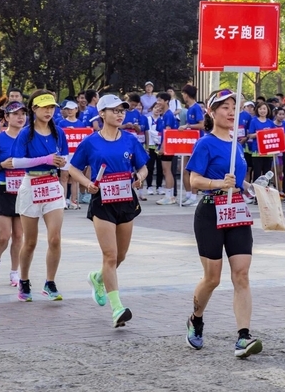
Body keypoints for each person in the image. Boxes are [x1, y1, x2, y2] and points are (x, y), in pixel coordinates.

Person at [184, 89, 262, 358]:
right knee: (212, 278)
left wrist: (253, 187)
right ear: (212, 112)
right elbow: (194, 181)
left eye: (234, 107)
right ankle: (196, 319)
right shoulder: (205, 143)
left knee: (241, 274)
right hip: (210, 212)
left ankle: (243, 336)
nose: (231, 112)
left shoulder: (236, 144)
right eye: (225, 107)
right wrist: (219, 183)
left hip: (237, 212)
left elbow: (237, 182)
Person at [67, 94, 149, 328]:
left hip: (126, 199)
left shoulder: (130, 139)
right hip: (102, 201)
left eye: (122, 110)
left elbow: (142, 167)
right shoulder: (90, 142)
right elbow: (73, 168)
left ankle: (98, 278)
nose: (120, 114)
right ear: (102, 113)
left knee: (120, 256)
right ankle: (117, 308)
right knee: (110, 256)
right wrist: (87, 183)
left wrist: (139, 177)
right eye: (114, 110)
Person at [10, 91, 69, 303]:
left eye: (51, 107)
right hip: (31, 184)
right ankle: (24, 280)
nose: (48, 111)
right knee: (30, 241)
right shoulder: (26, 133)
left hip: (52, 185)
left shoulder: (59, 132)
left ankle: (50, 282)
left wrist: (62, 163)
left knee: (55, 238)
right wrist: (45, 159)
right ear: (34, 109)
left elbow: (66, 157)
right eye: (44, 107)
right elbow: (16, 162)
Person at [0, 101, 27, 287]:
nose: (20, 117)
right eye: (15, 114)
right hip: (2, 190)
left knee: (18, 235)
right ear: (6, 117)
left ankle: (15, 272)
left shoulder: (30, 138)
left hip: (23, 191)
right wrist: (2, 165)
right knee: (4, 236)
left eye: (23, 113)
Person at [179, 85, 205, 205]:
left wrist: (187, 126)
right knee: (184, 169)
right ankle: (188, 194)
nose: (183, 96)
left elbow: (202, 125)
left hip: (197, 143)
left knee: (194, 170)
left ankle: (194, 197)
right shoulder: (189, 108)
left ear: (187, 94)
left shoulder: (196, 108)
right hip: (188, 142)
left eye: (183, 93)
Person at [155, 92, 178, 205]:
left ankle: (169, 196)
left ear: (166, 101)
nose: (158, 102)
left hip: (168, 147)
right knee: (166, 170)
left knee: (167, 170)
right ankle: (170, 195)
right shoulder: (163, 115)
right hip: (165, 145)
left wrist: (163, 147)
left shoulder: (169, 115)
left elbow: (168, 132)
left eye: (160, 100)